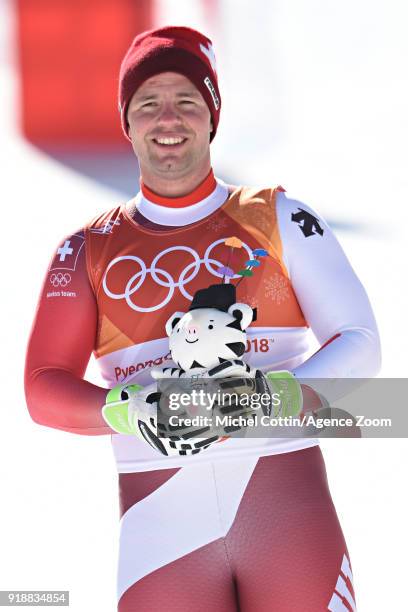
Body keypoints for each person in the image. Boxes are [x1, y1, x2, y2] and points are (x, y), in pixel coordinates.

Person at [24, 26, 381, 611]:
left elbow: (361, 342)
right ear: (127, 122)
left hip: (288, 517)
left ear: (212, 116)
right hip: (161, 534)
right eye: (148, 103)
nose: (169, 118)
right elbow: (42, 390)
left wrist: (274, 396)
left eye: (187, 100)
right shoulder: (85, 250)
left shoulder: (279, 216)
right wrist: (131, 409)